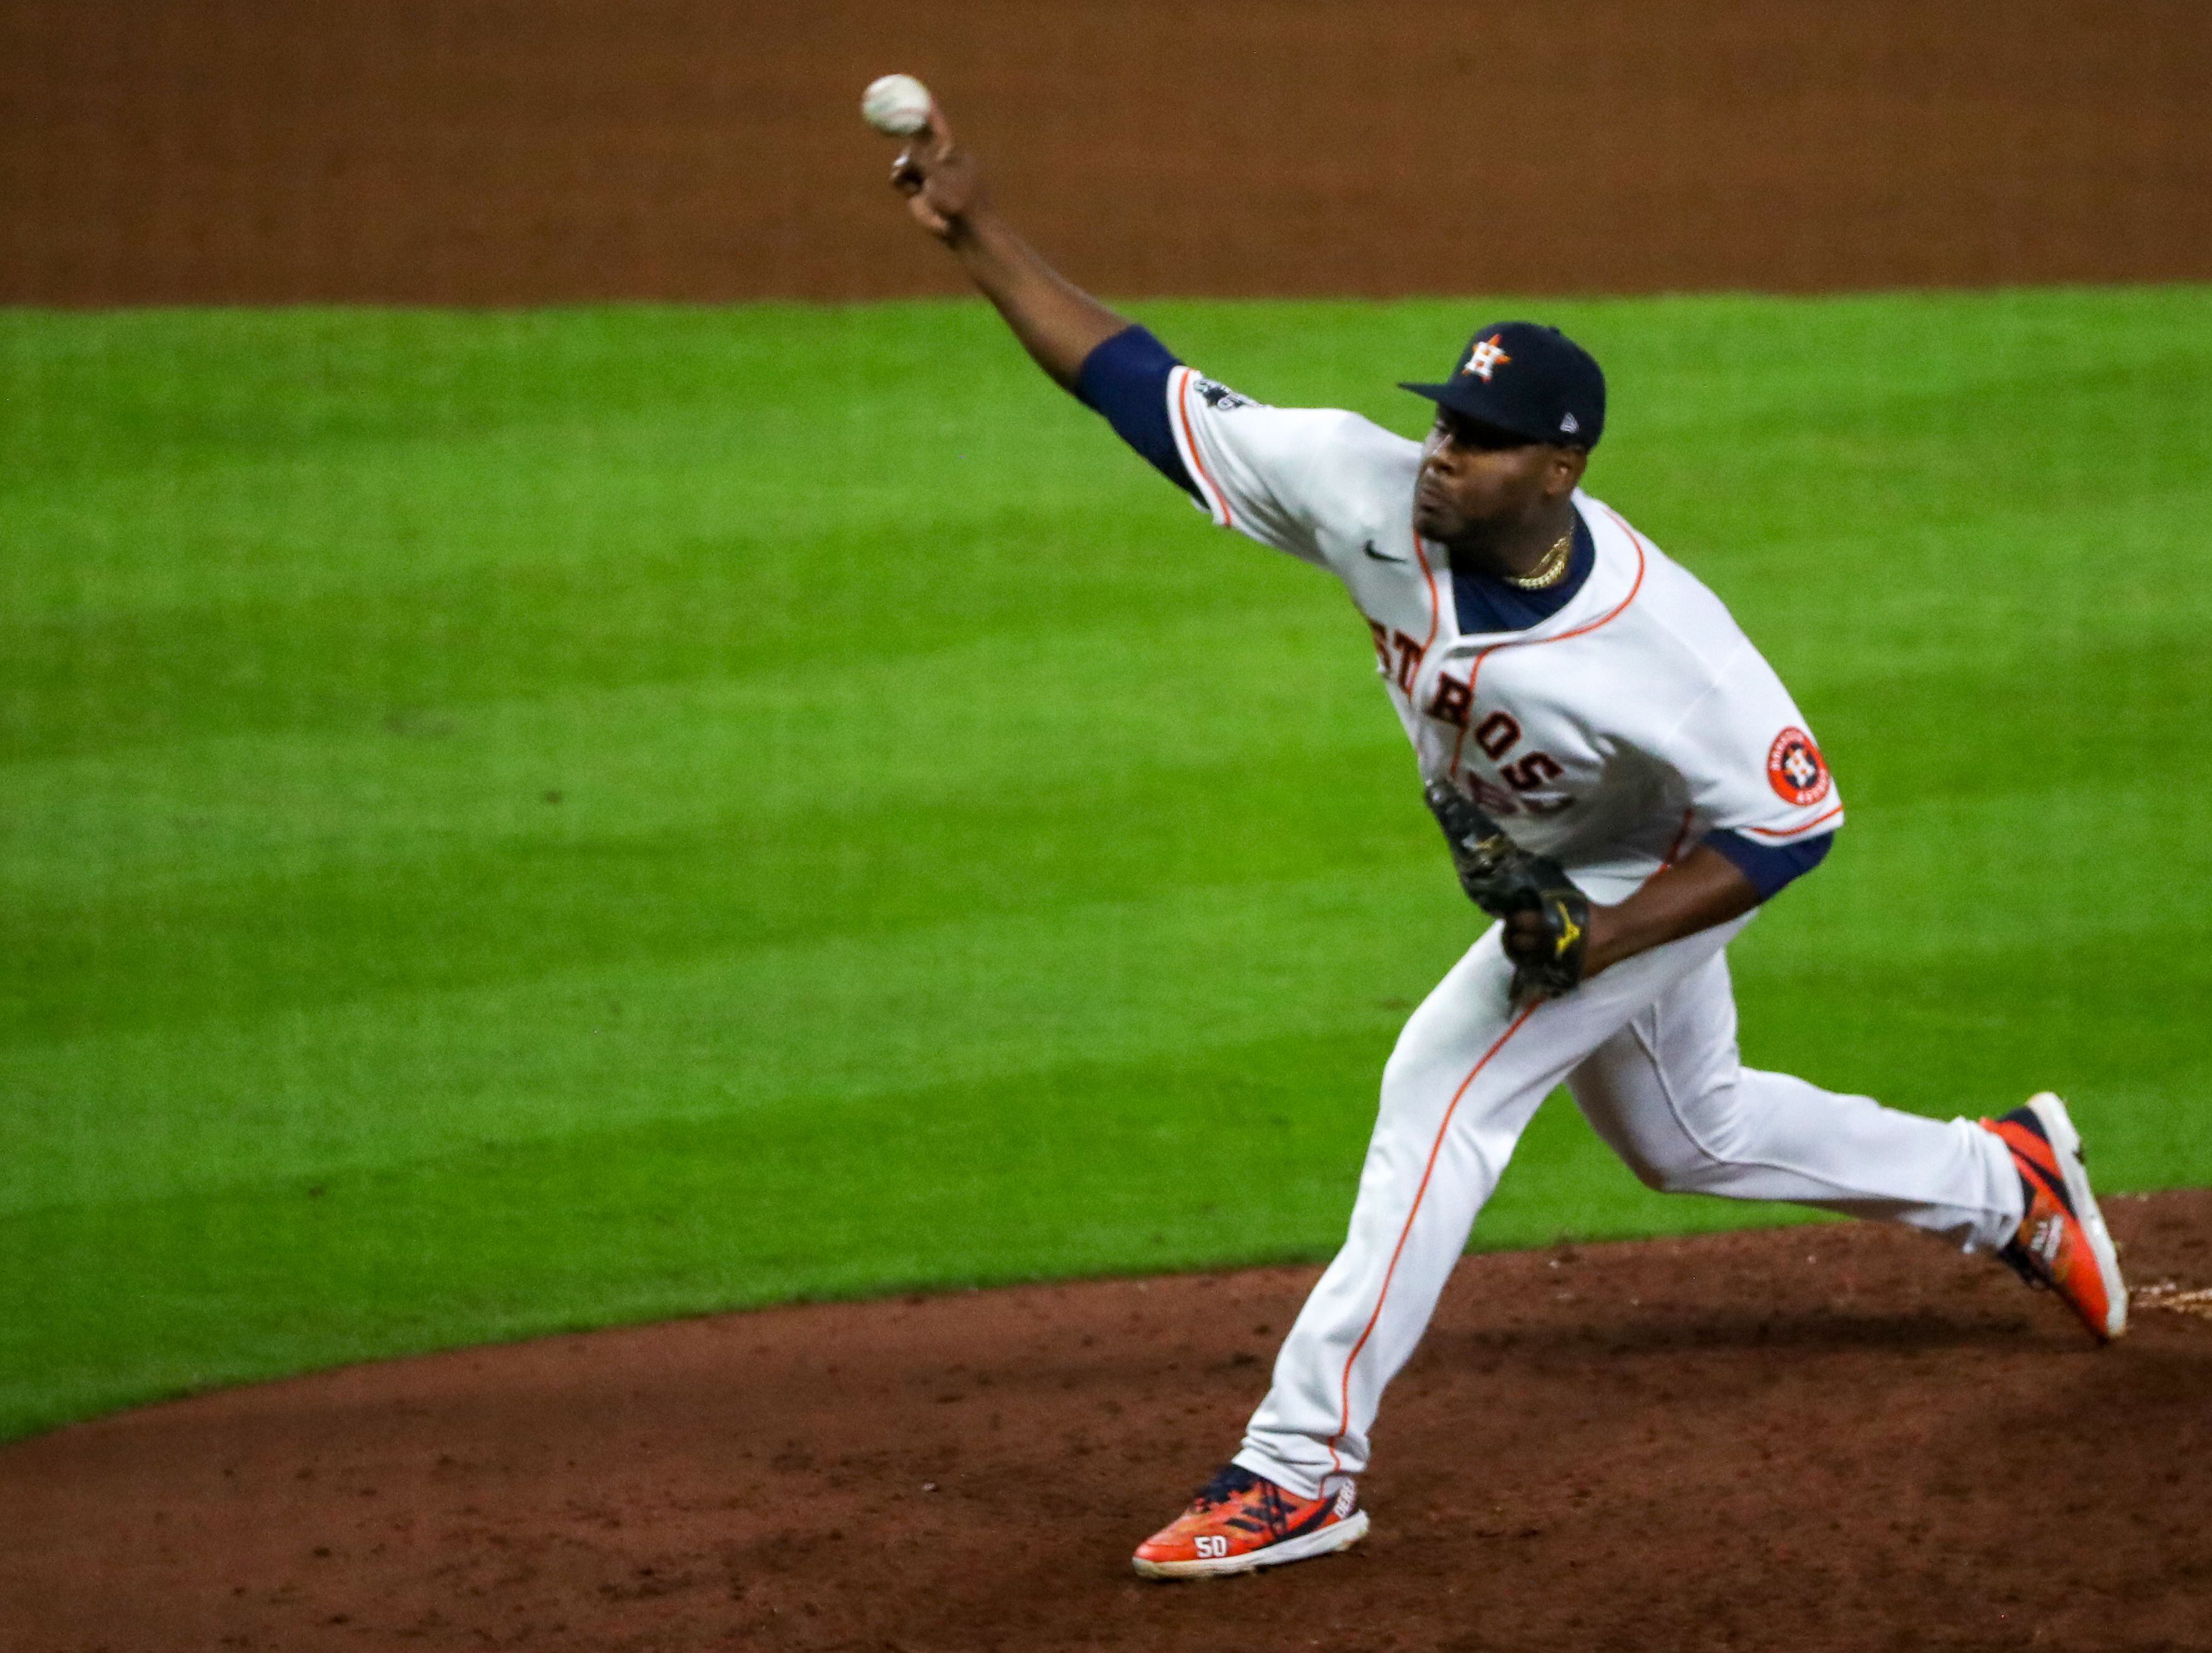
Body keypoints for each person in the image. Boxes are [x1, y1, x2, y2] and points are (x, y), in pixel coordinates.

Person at [879, 103, 2128, 1581]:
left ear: (1562, 467)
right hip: (1558, 867)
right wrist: (974, 232)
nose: (1440, 454)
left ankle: (1299, 1466)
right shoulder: (1360, 480)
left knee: (1441, 1089)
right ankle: (2004, 1179)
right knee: (1688, 1133)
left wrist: (1598, 939)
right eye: (1443, 421)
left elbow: (1794, 823)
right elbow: (1133, 385)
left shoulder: (1674, 650)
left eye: (1480, 442)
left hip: (1648, 874)